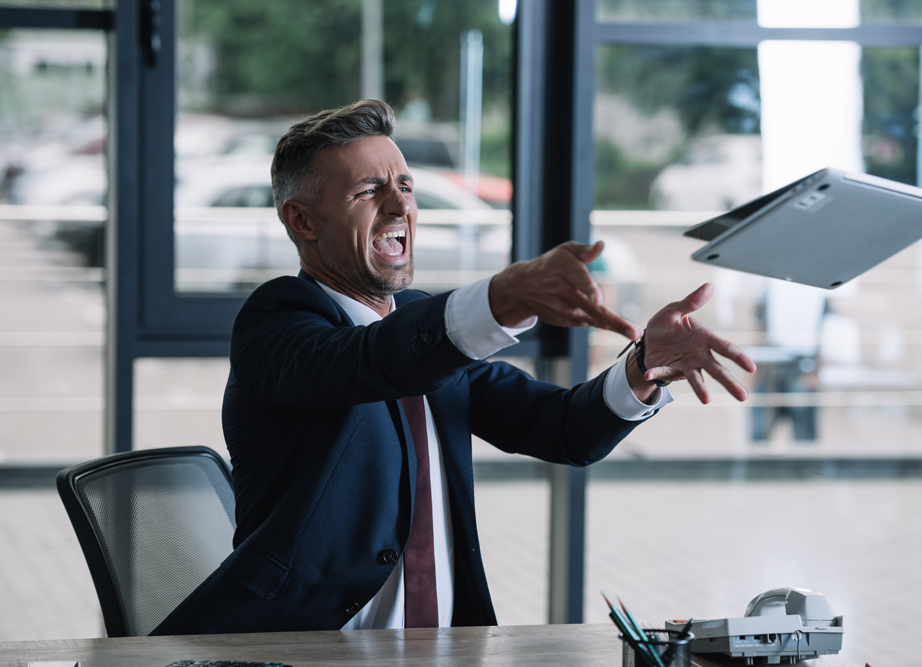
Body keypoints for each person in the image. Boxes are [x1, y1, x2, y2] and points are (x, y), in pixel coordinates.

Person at [152, 99, 755, 636]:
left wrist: (644, 367)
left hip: (444, 645)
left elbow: (560, 428)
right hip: (303, 646)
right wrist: (501, 299)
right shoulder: (277, 321)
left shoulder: (422, 328)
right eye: (368, 192)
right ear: (302, 221)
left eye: (406, 186)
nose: (399, 206)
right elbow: (373, 362)